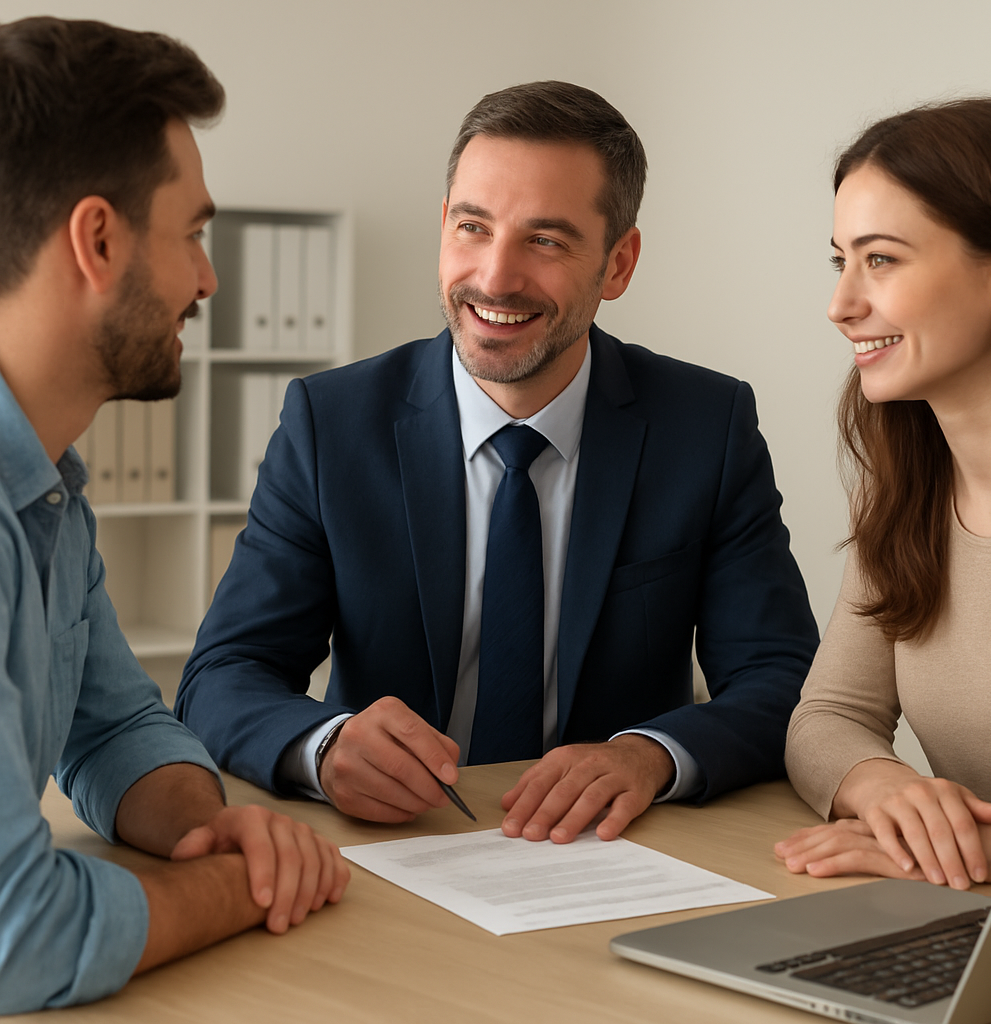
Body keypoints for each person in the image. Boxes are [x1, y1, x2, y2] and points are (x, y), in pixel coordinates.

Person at [177, 81, 818, 845]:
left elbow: (785, 681)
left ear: (618, 264)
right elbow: (223, 675)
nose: (495, 277)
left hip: (617, 850)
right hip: (401, 847)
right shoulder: (331, 423)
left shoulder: (705, 426)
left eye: (544, 240)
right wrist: (325, 746)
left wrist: (650, 755)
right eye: (472, 227)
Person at [0, 17, 348, 1013]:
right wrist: (240, 884)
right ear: (97, 240)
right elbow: (16, 934)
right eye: (192, 235)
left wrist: (211, 825)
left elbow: (113, 729)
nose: (209, 278)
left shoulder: (48, 487)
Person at [777, 98, 991, 893]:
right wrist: (890, 793)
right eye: (839, 260)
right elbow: (829, 717)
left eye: (880, 260)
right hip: (972, 917)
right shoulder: (907, 493)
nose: (842, 304)